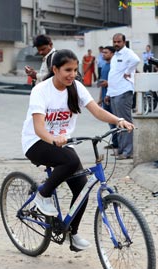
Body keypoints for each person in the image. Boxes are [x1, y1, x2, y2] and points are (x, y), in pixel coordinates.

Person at [21, 49, 134, 250]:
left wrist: (119, 120)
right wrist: (53, 139)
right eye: (67, 70)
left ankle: (71, 233)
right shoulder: (41, 90)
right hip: (36, 142)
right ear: (55, 69)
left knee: (82, 189)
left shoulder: (76, 87)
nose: (72, 74)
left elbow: (97, 110)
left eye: (75, 70)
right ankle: (42, 195)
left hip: (62, 143)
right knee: (70, 161)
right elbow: (38, 127)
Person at [106, 33, 140, 160]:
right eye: (114, 41)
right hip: (114, 92)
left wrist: (127, 72)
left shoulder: (127, 53)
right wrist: (108, 93)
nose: (116, 44)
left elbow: (136, 60)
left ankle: (127, 151)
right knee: (118, 123)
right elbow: (113, 75)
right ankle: (121, 149)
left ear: (124, 42)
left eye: (119, 41)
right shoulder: (115, 56)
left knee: (125, 122)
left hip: (123, 92)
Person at [97, 46, 118, 152]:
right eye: (103, 52)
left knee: (116, 120)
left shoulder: (115, 66)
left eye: (106, 52)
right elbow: (102, 83)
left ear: (112, 54)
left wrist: (108, 83)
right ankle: (115, 143)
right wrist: (100, 99)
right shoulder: (104, 65)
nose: (103, 54)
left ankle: (118, 143)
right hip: (105, 97)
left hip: (113, 96)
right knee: (110, 122)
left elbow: (119, 81)